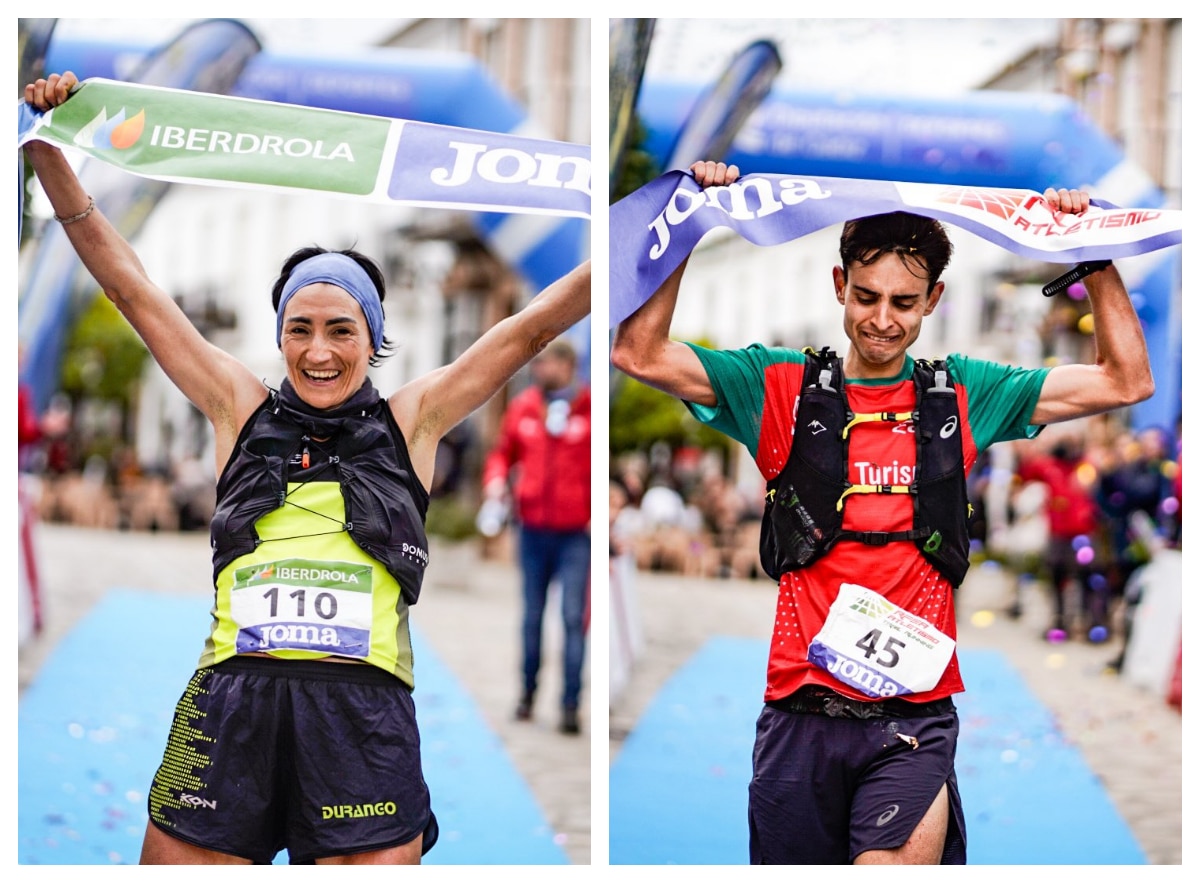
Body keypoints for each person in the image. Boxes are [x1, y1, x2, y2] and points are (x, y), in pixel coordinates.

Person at [22, 72, 590, 865]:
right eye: (300, 328)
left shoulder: (414, 419)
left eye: (340, 329)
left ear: (373, 337)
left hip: (363, 711)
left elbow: (529, 330)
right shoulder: (236, 404)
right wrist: (47, 149)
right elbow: (132, 291)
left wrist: (639, 230)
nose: (318, 350)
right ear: (281, 335)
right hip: (232, 700)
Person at [610, 160, 1154, 865]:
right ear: (839, 284)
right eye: (866, 297)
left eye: (904, 301)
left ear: (933, 300)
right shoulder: (777, 385)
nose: (883, 320)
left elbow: (1126, 380)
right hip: (800, 712)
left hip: (913, 718)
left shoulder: (964, 392)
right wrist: (689, 222)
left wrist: (1095, 255)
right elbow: (639, 352)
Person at [481, 338, 591, 734]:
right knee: (531, 617)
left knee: (573, 618)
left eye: (545, 362)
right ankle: (527, 696)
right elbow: (501, 454)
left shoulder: (590, 408)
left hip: (576, 535)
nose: (537, 368)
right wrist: (496, 481)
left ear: (566, 366)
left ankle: (570, 705)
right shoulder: (523, 406)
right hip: (532, 530)